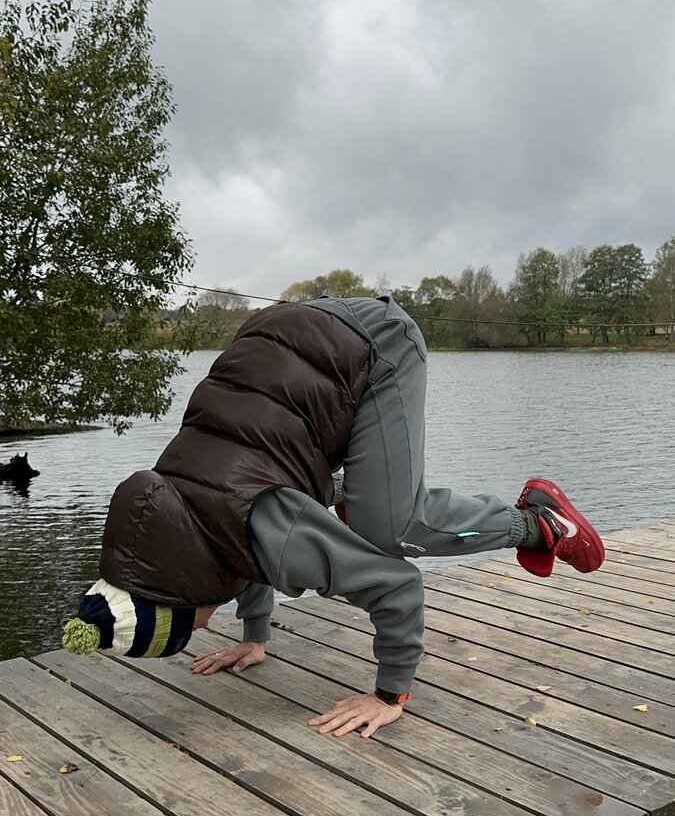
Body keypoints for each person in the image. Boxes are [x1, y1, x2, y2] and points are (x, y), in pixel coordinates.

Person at [64, 295, 605, 739]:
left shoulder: (255, 528)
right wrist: (255, 637)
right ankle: (350, 492)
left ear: (178, 607)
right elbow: (230, 543)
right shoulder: (170, 504)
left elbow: (397, 589)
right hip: (289, 333)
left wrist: (388, 695)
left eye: (182, 633)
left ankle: (540, 522)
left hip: (376, 345)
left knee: (392, 530)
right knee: (277, 501)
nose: (195, 633)